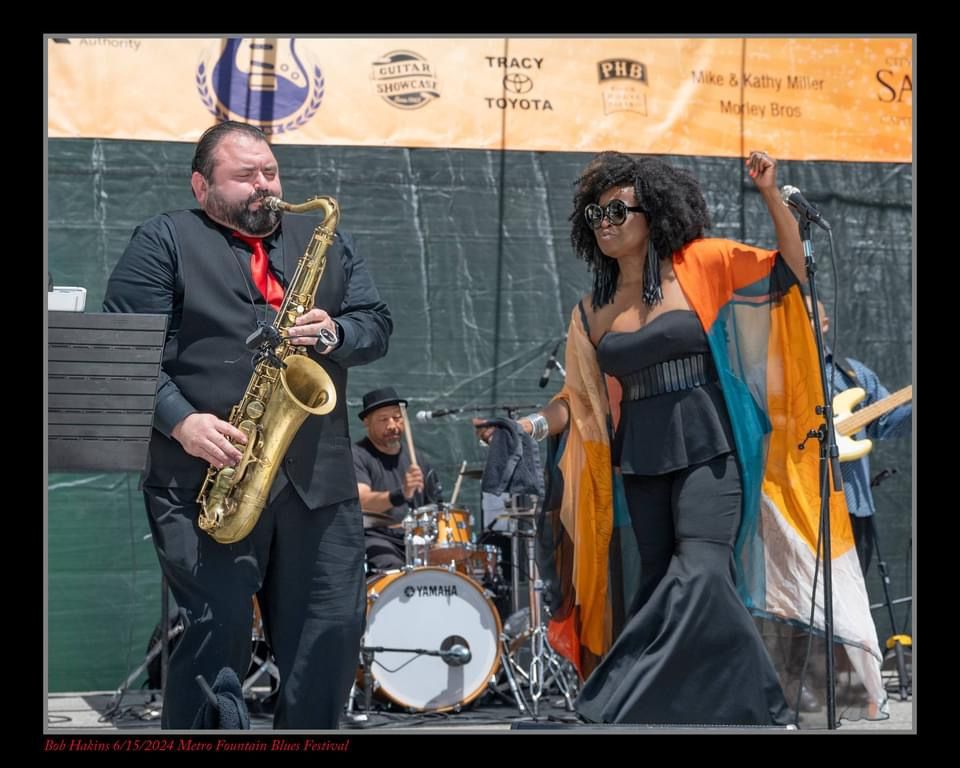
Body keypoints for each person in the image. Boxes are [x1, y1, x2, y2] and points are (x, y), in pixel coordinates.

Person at [477, 150, 886, 725]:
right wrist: (528, 426)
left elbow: (791, 268)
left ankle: (626, 701)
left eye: (618, 211)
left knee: (699, 570)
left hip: (709, 448)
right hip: (641, 461)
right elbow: (579, 400)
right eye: (596, 214)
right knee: (658, 582)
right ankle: (690, 709)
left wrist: (770, 193)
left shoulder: (702, 264)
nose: (605, 223)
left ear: (655, 215)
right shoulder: (591, 310)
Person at [102, 120, 393, 730]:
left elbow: (375, 322)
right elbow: (123, 354)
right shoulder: (163, 240)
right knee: (215, 642)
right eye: (245, 176)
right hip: (205, 480)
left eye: (270, 172)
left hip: (318, 484)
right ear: (201, 186)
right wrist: (182, 422)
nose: (264, 186)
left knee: (329, 638)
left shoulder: (325, 239)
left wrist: (336, 332)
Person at [808, 297, 912, 576]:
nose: (803, 323)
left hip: (853, 506)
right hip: (799, 508)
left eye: (810, 316)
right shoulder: (772, 374)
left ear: (825, 324)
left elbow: (887, 421)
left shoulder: (852, 373)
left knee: (853, 598)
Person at [352, 387, 439, 572]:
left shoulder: (418, 459)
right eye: (384, 419)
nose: (392, 425)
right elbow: (362, 502)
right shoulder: (357, 455)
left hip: (416, 540)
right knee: (394, 567)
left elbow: (434, 506)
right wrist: (401, 493)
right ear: (367, 422)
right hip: (376, 537)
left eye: (397, 417)